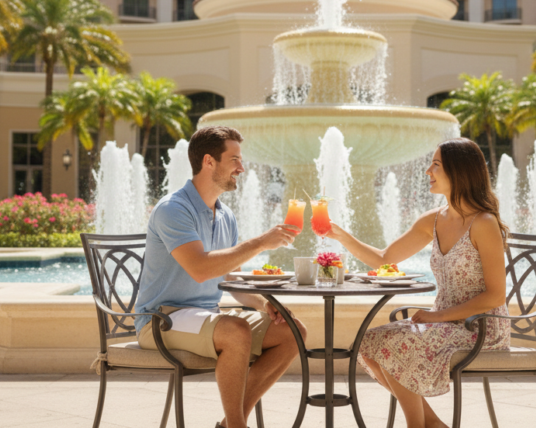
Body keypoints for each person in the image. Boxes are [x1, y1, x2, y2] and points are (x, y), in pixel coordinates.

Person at [323, 137, 511, 428]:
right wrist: (342, 236)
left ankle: (416, 425)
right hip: (444, 324)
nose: (428, 171)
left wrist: (437, 316)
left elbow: (496, 295)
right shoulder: (433, 220)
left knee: (402, 342)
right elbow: (385, 259)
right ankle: (432, 424)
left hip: (481, 329)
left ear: (458, 171)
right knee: (368, 342)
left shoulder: (483, 223)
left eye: (436, 165)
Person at [133, 126, 308, 428]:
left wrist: (264, 304)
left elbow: (232, 281)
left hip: (205, 316)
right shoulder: (174, 209)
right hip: (161, 320)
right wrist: (259, 243)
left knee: (293, 331)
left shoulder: (225, 215)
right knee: (235, 331)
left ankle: (230, 423)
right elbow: (200, 269)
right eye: (234, 159)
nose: (242, 168)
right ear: (208, 162)